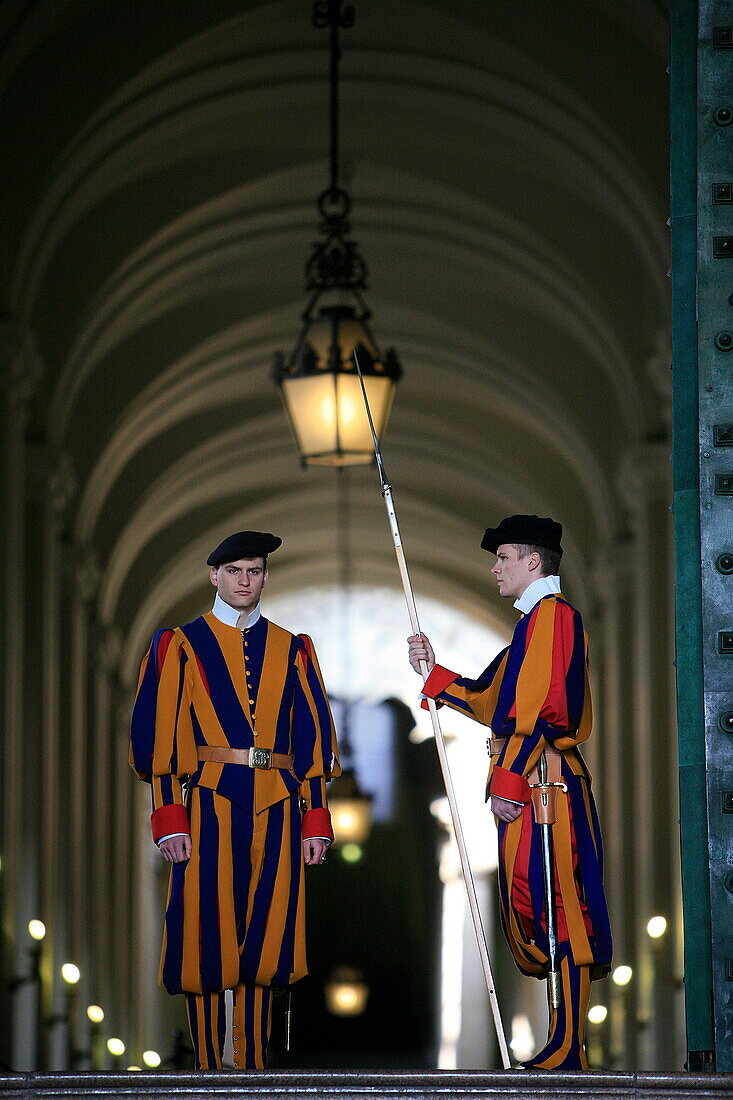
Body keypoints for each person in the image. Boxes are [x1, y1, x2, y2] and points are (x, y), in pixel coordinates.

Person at [130, 530, 340, 1070]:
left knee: (268, 932)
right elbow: (159, 737)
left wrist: (316, 818)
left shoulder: (293, 648)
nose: (245, 581)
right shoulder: (181, 644)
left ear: (265, 576)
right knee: (206, 929)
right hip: (208, 801)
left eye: (254, 571)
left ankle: (250, 1064)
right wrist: (168, 817)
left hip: (278, 803)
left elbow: (312, 736)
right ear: (214, 576)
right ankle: (206, 1065)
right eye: (235, 572)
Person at [408, 514, 611, 1070]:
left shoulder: (553, 618)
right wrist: (432, 674)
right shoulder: (531, 626)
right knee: (539, 902)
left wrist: (508, 780)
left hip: (545, 782)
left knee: (559, 902)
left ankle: (569, 1044)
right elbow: (492, 700)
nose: (495, 568)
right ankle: (561, 1038)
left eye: (503, 558)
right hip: (533, 779)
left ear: (533, 561)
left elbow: (542, 712)